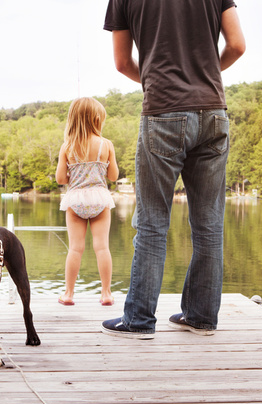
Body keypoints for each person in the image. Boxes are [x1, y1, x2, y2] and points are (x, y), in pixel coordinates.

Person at [101, 0, 245, 339]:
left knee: (152, 223)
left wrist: (154, 81)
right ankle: (201, 317)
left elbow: (122, 63)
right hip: (213, 111)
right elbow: (237, 45)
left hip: (163, 112)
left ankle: (138, 320)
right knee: (209, 224)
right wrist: (206, 74)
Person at [56, 97, 120, 307]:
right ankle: (107, 293)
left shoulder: (67, 146)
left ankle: (68, 294)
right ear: (96, 119)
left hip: (76, 199)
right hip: (99, 197)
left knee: (75, 248)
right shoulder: (106, 144)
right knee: (102, 248)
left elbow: (61, 179)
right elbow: (113, 176)